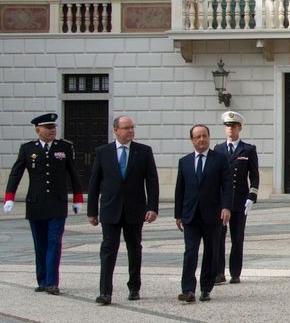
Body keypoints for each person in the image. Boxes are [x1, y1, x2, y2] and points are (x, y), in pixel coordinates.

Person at [4, 113, 84, 295]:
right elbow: (16, 173)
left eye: (53, 127)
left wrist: (77, 198)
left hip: (57, 203)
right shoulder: (27, 149)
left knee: (54, 242)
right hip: (36, 203)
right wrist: (9, 196)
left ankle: (52, 282)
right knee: (40, 243)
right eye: (48, 128)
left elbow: (73, 173)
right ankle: (42, 279)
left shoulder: (64, 147)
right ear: (38, 130)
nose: (52, 131)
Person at [87, 115, 159, 305]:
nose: (131, 131)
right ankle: (105, 292)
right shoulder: (103, 152)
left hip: (135, 209)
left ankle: (134, 287)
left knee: (134, 249)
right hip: (111, 209)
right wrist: (92, 211)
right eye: (126, 128)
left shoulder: (143, 151)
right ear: (116, 130)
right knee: (108, 250)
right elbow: (94, 183)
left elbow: (152, 181)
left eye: (132, 128)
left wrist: (152, 207)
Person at [174, 125, 232, 303]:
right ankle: (188, 289)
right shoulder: (184, 162)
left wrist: (226, 207)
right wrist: (178, 214)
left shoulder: (220, 159)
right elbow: (180, 190)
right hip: (190, 215)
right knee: (190, 252)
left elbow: (227, 185)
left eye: (204, 136)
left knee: (211, 252)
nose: (201, 139)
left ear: (209, 138)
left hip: (212, 215)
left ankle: (206, 288)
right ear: (192, 140)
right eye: (197, 137)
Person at [214, 111, 259, 285]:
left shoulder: (248, 149)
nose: (230, 129)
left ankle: (235, 272)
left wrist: (251, 196)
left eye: (233, 126)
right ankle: (219, 272)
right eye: (227, 126)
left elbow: (254, 176)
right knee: (219, 237)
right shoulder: (218, 149)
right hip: (222, 200)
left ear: (240, 128)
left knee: (237, 238)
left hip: (240, 200)